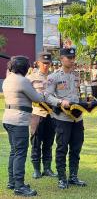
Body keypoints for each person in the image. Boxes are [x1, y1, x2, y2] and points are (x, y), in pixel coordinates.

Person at [45, 48, 87, 189]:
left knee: (76, 147)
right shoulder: (54, 76)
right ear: (62, 58)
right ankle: (62, 178)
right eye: (69, 57)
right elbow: (47, 96)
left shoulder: (76, 75)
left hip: (77, 118)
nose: (72, 60)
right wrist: (60, 102)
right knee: (62, 148)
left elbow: (78, 93)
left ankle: (73, 176)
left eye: (73, 57)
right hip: (62, 117)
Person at [3, 56, 44, 196]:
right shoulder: (23, 81)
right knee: (20, 152)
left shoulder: (8, 79)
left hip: (8, 119)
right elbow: (37, 98)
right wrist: (43, 95)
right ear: (24, 68)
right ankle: (19, 186)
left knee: (14, 151)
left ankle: (12, 181)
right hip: (19, 120)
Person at [27, 52, 57, 179]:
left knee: (49, 142)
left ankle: (47, 168)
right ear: (38, 63)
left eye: (48, 63)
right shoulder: (31, 78)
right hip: (37, 114)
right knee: (36, 142)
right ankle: (36, 170)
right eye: (43, 63)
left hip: (51, 114)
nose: (46, 65)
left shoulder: (54, 77)